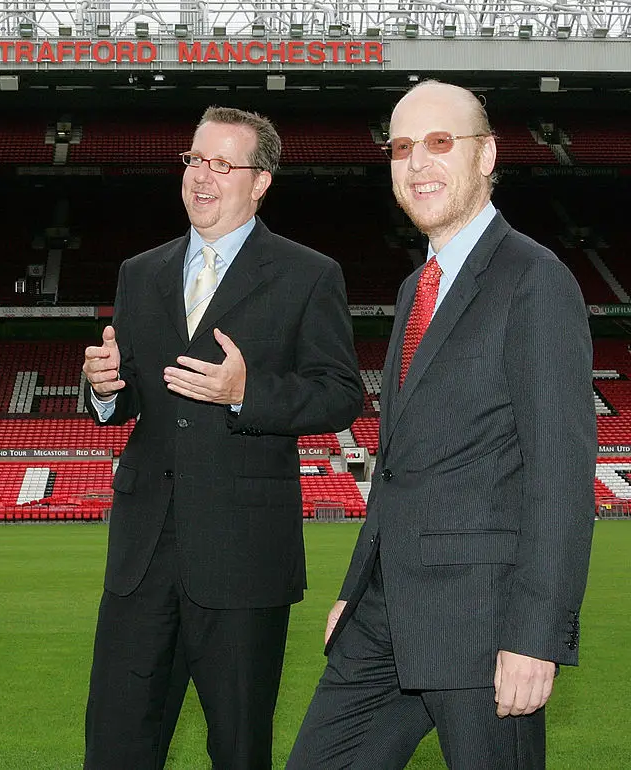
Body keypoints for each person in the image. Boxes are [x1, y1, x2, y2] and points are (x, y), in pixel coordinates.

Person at [287, 81, 595, 769]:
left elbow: (561, 473)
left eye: (439, 142)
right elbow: (399, 463)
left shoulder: (534, 281)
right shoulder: (415, 286)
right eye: (401, 147)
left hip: (484, 625)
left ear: (486, 156)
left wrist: (536, 636)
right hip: (385, 613)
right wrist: (355, 587)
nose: (417, 163)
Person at [82, 105, 363, 769]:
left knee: (238, 747)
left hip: (243, 553)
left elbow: (341, 393)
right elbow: (127, 403)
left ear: (260, 181)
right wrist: (102, 388)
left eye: (223, 163)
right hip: (142, 551)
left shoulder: (307, 274)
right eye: (194, 159)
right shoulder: (140, 272)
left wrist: (247, 392)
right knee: (116, 744)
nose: (202, 176)